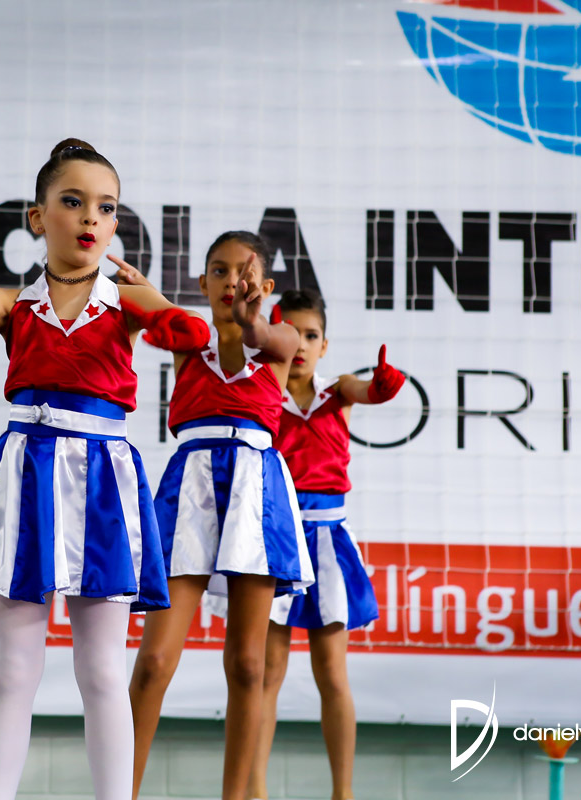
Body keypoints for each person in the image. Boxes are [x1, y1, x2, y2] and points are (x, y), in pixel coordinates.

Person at [0, 138, 208, 800]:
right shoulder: (13, 302)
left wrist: (161, 307)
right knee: (13, 671)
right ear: (37, 217)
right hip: (27, 474)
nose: (91, 217)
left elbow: (190, 334)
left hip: (104, 482)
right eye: (73, 201)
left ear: (115, 224)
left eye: (107, 207)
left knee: (101, 672)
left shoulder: (125, 300)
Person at [124, 231, 314, 800]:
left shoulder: (280, 340)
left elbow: (260, 333)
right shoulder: (189, 340)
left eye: (244, 271)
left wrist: (253, 320)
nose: (232, 280)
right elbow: (153, 310)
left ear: (265, 285)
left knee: (248, 664)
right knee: (154, 661)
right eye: (219, 270)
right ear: (203, 282)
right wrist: (143, 292)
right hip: (191, 485)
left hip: (257, 487)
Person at [243, 287, 405, 800]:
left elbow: (366, 391)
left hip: (329, 542)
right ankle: (255, 789)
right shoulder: (260, 392)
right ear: (273, 336)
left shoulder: (338, 392)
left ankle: (343, 793)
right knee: (266, 673)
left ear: (324, 345)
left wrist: (382, 386)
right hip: (277, 541)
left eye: (311, 335)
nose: (301, 344)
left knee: (332, 673)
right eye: (291, 333)